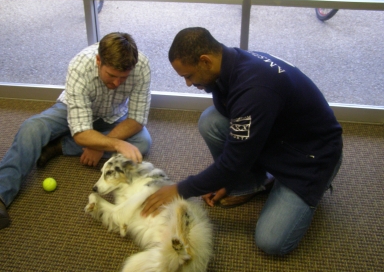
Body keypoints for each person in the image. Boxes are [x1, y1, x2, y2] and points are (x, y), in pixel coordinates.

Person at [142, 27, 343, 255]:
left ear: (205, 61)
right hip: (278, 136)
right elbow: (234, 133)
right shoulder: (229, 62)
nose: (188, 83)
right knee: (211, 121)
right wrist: (228, 176)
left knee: (271, 242)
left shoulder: (254, 89)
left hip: (311, 156)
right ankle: (252, 184)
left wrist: (180, 189)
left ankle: (309, 185)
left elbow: (233, 162)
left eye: (188, 76)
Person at [0, 32, 152, 231]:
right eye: (112, 76)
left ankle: (59, 146)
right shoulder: (79, 65)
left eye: (123, 78)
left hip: (113, 117)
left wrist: (101, 143)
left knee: (142, 143)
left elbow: (137, 119)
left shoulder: (141, 67)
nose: (116, 83)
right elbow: (81, 132)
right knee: (32, 128)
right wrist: (112, 143)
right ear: (99, 61)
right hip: (72, 111)